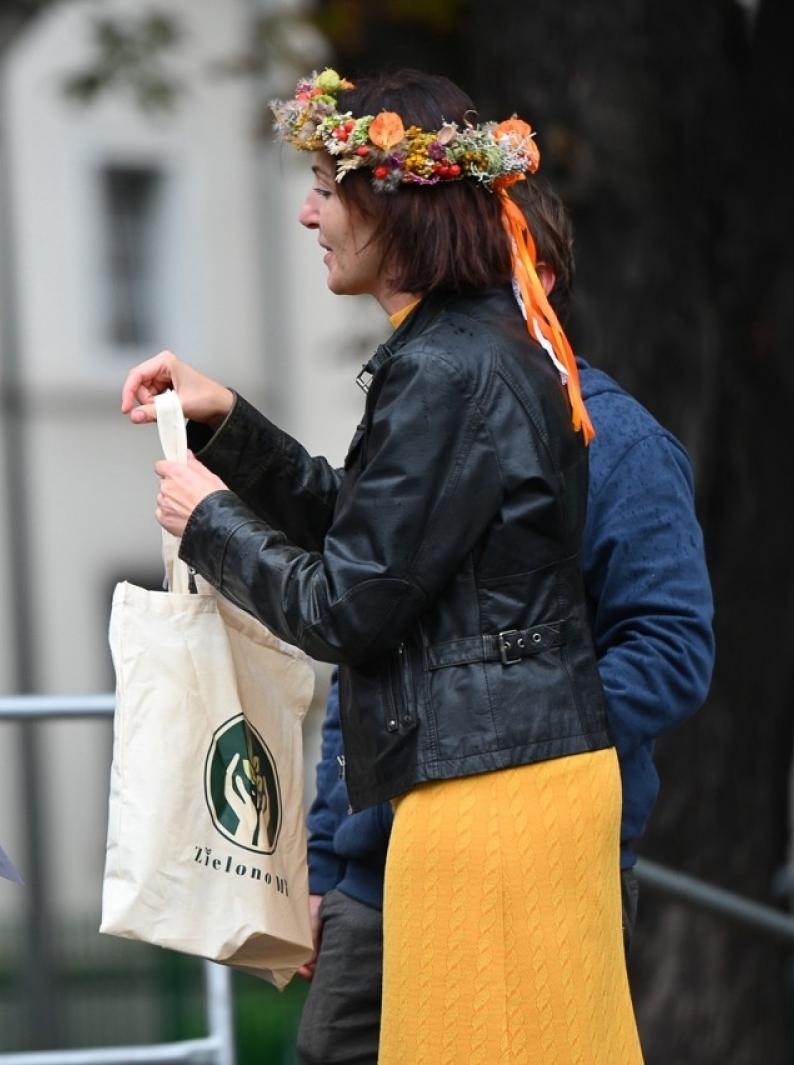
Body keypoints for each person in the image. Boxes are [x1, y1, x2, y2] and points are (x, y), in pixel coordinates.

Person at [121, 69, 642, 1062]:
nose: (309, 212)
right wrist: (230, 427)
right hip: (502, 779)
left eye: (326, 183)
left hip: (493, 797)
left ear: (396, 202)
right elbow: (381, 543)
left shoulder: (446, 368)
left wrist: (211, 522)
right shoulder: (467, 347)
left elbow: (351, 608)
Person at [294, 181, 716, 1065]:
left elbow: (672, 651)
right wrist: (328, 860)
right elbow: (367, 647)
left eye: (484, 277)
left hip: (535, 866)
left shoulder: (619, 443)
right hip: (380, 875)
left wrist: (497, 730)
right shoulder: (422, 427)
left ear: (543, 278)